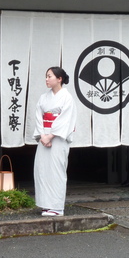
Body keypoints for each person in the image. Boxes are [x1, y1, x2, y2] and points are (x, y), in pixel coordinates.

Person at [33, 67, 77, 216]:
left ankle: (57, 207)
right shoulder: (43, 97)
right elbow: (39, 116)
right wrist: (43, 135)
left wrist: (51, 135)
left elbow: (66, 119)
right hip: (44, 137)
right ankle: (46, 204)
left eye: (49, 76)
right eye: (46, 76)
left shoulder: (67, 97)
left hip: (57, 139)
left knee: (56, 171)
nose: (46, 79)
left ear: (59, 79)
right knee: (42, 170)